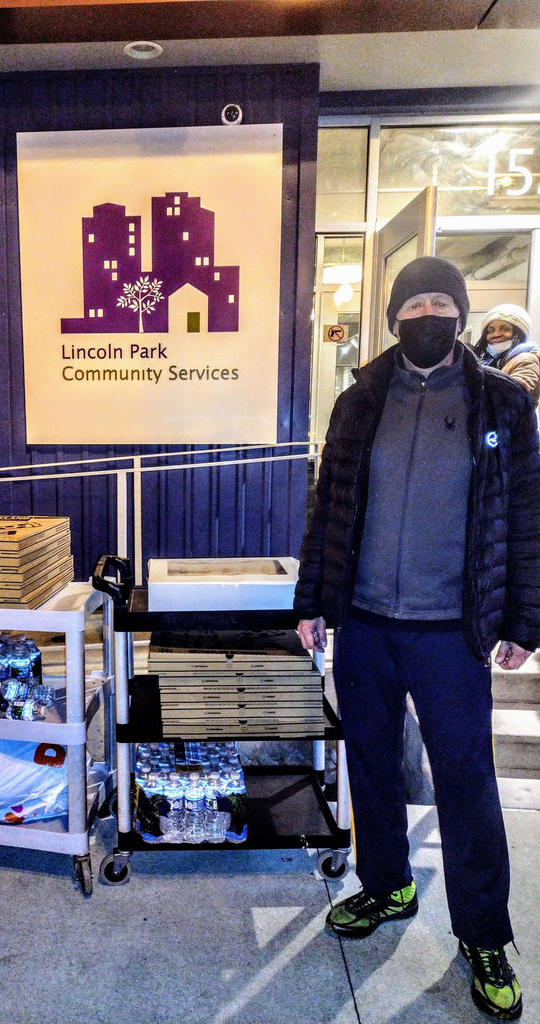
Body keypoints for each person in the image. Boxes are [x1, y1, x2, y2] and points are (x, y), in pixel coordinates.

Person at [294, 256, 540, 1021]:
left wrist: (525, 622)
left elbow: (528, 516)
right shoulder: (359, 399)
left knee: (465, 779)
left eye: (442, 301)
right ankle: (387, 883)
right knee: (369, 762)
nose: (426, 313)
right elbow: (326, 507)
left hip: (452, 629)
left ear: (461, 318)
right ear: (393, 315)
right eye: (413, 303)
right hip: (365, 622)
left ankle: (484, 932)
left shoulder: (501, 402)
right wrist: (314, 600)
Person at [473, 303, 540, 406]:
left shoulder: (527, 359)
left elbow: (514, 396)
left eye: (505, 329)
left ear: (519, 334)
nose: (496, 334)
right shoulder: (493, 361)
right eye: (491, 330)